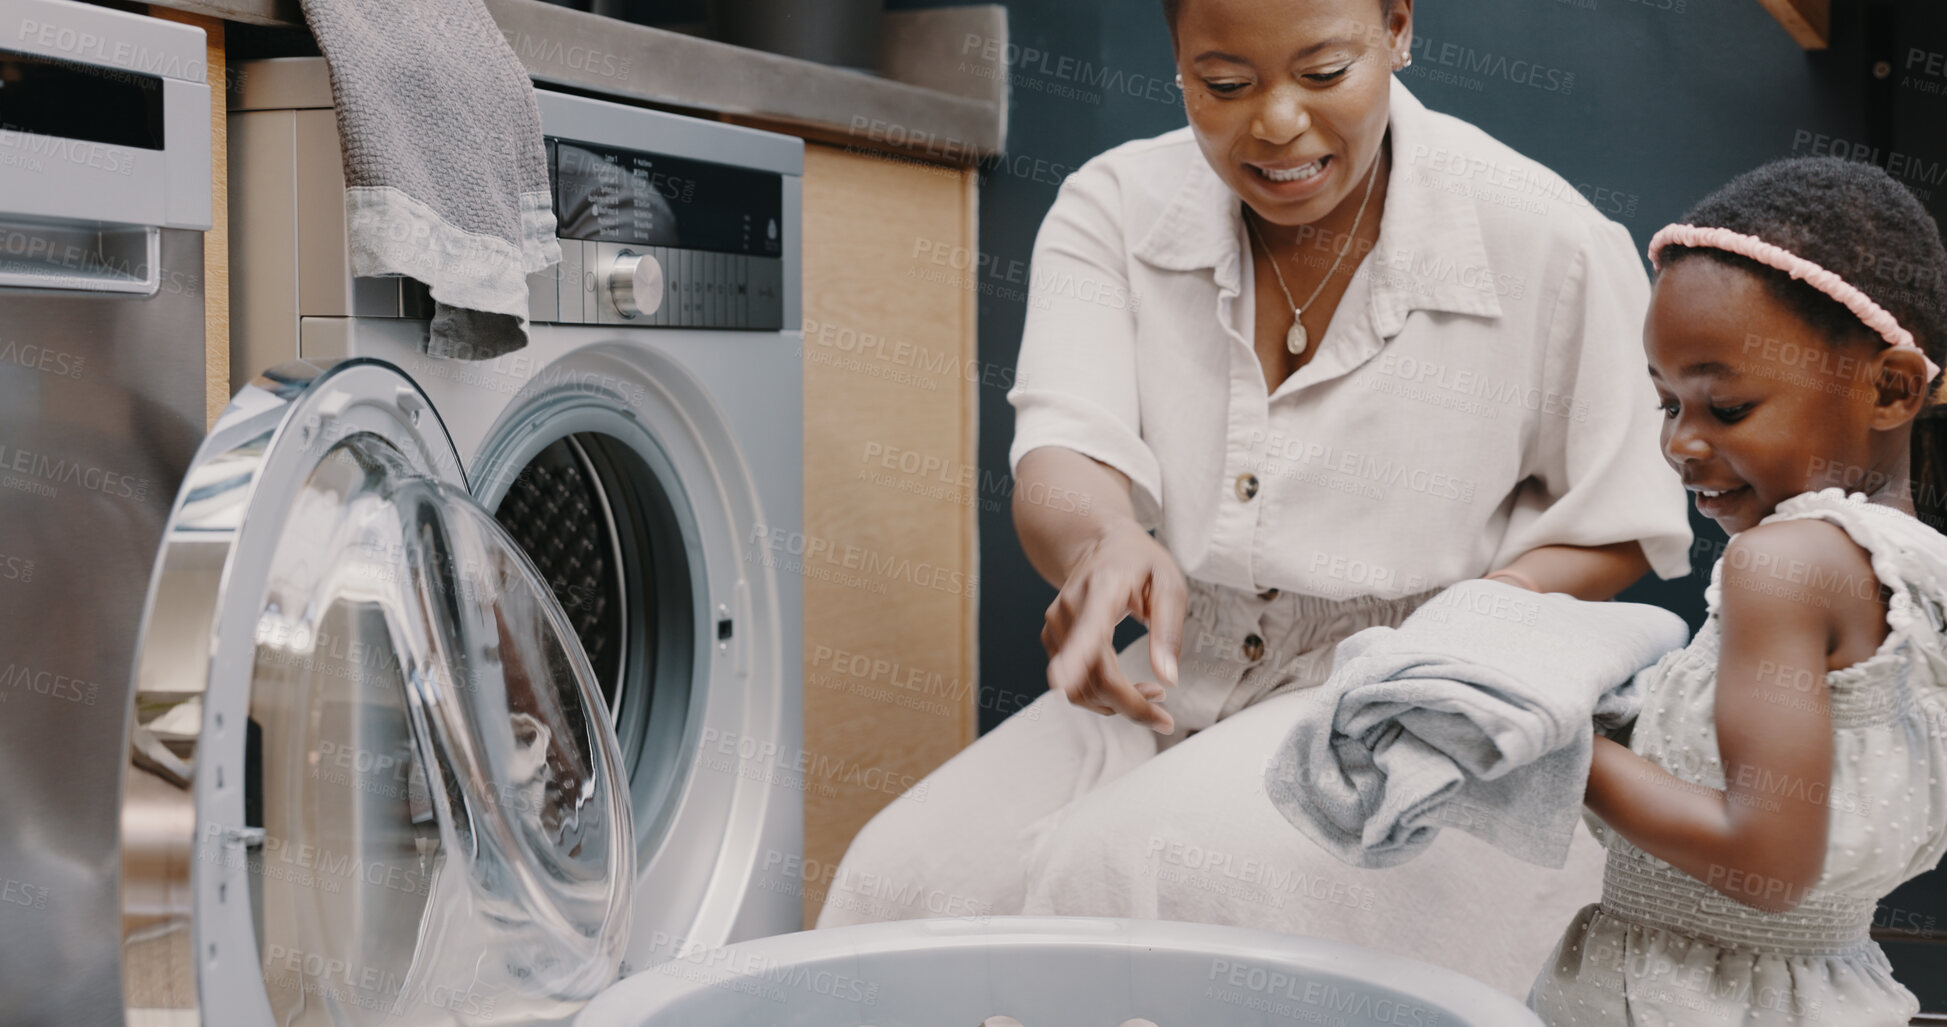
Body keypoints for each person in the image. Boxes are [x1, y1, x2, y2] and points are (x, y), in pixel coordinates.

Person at [818, 0, 1693, 995]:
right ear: (1180, 60)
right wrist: (1104, 541)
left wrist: (1461, 631)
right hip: (1172, 674)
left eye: (1324, 74)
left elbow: (1623, 521)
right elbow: (1065, 449)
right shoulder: (1115, 204)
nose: (1276, 124)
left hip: (1397, 701)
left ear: (1399, 27)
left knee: (1129, 871)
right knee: (901, 881)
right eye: (1224, 85)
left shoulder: (1549, 239)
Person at [1529, 157, 1947, 1024]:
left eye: (1724, 408)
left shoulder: (1779, 566)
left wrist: (1545, 739)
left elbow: (1765, 855)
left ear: (1891, 387)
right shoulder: (1916, 572)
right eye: (1665, 405)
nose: (1681, 443)